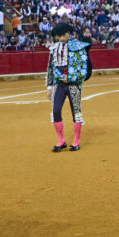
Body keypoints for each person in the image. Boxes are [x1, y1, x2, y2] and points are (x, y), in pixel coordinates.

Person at [46, 22, 92, 152]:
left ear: (68, 33)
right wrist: (49, 87)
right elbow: (50, 68)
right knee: (56, 111)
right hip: (59, 84)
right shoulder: (54, 49)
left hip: (73, 85)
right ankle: (61, 141)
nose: (60, 38)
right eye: (58, 36)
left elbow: (83, 68)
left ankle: (76, 141)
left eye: (62, 35)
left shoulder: (78, 46)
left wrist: (71, 77)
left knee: (75, 112)